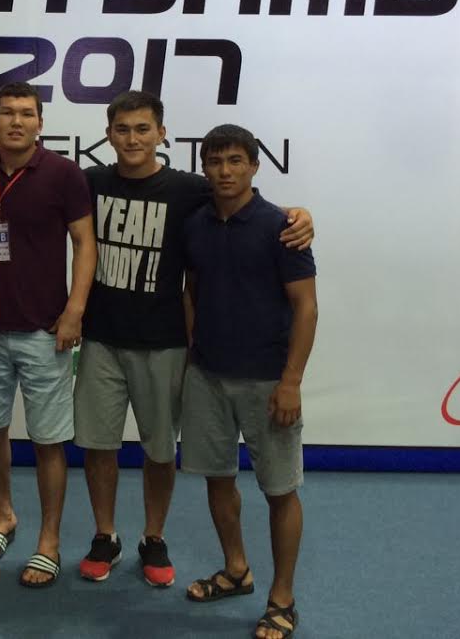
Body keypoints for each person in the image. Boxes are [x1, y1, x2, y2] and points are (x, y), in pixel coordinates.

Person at [74, 92, 313, 588]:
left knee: (162, 451)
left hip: (168, 346)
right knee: (100, 446)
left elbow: (247, 201)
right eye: (122, 129)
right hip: (106, 340)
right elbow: (32, 178)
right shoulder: (91, 182)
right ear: (108, 134)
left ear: (162, 134)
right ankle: (106, 536)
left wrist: (298, 214)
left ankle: (154, 538)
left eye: (143, 129)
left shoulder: (189, 190)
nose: (133, 138)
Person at [181, 124, 317, 639]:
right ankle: (236, 570)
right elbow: (191, 291)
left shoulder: (282, 227)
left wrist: (291, 381)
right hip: (207, 376)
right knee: (217, 479)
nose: (225, 171)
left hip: (268, 382)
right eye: (215, 161)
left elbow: (306, 308)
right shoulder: (195, 224)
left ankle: (282, 599)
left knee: (280, 491)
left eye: (236, 161)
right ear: (204, 167)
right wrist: (193, 356)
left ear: (255, 166)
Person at [0, 82, 96, 589]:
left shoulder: (64, 174)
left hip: (46, 330)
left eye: (26, 113)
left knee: (48, 441)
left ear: (40, 122)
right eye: (7, 113)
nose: (16, 121)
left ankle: (49, 540)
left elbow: (85, 243)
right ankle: (3, 516)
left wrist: (74, 310)